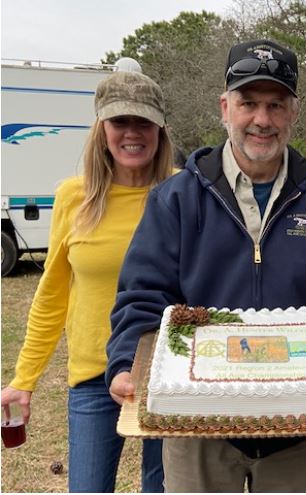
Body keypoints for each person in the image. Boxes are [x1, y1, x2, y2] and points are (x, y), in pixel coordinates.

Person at [104, 39, 306, 493]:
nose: (262, 120)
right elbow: (144, 295)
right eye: (248, 103)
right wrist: (128, 362)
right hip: (196, 428)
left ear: (294, 112)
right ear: (225, 107)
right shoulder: (176, 200)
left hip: (302, 427)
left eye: (276, 104)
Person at [0, 70, 172, 492]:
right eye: (119, 122)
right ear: (101, 129)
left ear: (160, 129)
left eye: (143, 122)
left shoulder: (180, 193)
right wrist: (24, 380)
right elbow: (52, 295)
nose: (132, 133)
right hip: (93, 377)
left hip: (164, 376)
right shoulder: (73, 197)